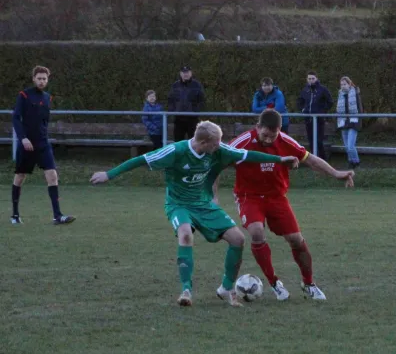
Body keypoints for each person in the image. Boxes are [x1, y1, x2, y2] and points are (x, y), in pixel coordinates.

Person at [89, 121, 300, 307]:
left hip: (203, 203)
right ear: (204, 143)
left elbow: (248, 155)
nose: (220, 147)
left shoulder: (217, 150)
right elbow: (141, 160)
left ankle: (226, 288)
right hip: (178, 204)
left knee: (237, 239)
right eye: (216, 143)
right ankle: (186, 290)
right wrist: (109, 174)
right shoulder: (175, 152)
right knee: (185, 234)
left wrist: (280, 160)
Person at [214, 109, 355, 301]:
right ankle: (274, 283)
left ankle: (309, 284)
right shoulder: (243, 142)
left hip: (277, 198)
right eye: (265, 135)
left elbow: (311, 160)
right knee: (256, 232)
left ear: (279, 131)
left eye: (273, 136)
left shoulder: (285, 141)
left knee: (296, 239)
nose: (269, 140)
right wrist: (213, 196)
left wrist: (336, 173)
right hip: (249, 197)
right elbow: (216, 164)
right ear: (258, 128)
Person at [11, 65, 76, 226]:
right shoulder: (24, 95)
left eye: (44, 79)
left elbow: (44, 121)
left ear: (47, 80)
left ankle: (57, 216)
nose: (41, 81)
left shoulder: (48, 97)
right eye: (39, 78)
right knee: (20, 177)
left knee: (52, 175)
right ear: (34, 79)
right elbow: (15, 118)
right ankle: (15, 215)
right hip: (26, 144)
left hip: (42, 144)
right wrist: (23, 138)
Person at [297, 70, 333, 159]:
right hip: (308, 119)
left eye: (313, 78)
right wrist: (303, 109)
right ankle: (314, 160)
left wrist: (322, 111)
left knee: (319, 140)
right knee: (311, 140)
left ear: (316, 79)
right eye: (309, 78)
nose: (311, 80)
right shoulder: (305, 90)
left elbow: (330, 102)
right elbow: (300, 101)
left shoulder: (323, 89)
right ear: (307, 79)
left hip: (319, 119)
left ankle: (323, 159)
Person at [168, 66, 205, 142]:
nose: (186, 74)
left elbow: (201, 100)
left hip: (192, 119)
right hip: (179, 119)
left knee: (194, 142)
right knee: (178, 142)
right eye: (184, 72)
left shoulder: (197, 85)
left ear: (191, 73)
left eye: (187, 72)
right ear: (180, 74)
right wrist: (173, 111)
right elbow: (170, 100)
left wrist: (195, 111)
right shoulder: (175, 85)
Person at [336, 76, 363, 169]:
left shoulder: (355, 93)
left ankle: (356, 162)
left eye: (345, 84)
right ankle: (351, 162)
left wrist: (359, 121)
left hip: (354, 121)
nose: (343, 86)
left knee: (350, 146)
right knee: (347, 147)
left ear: (349, 84)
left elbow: (360, 109)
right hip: (343, 122)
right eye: (341, 84)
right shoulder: (340, 95)